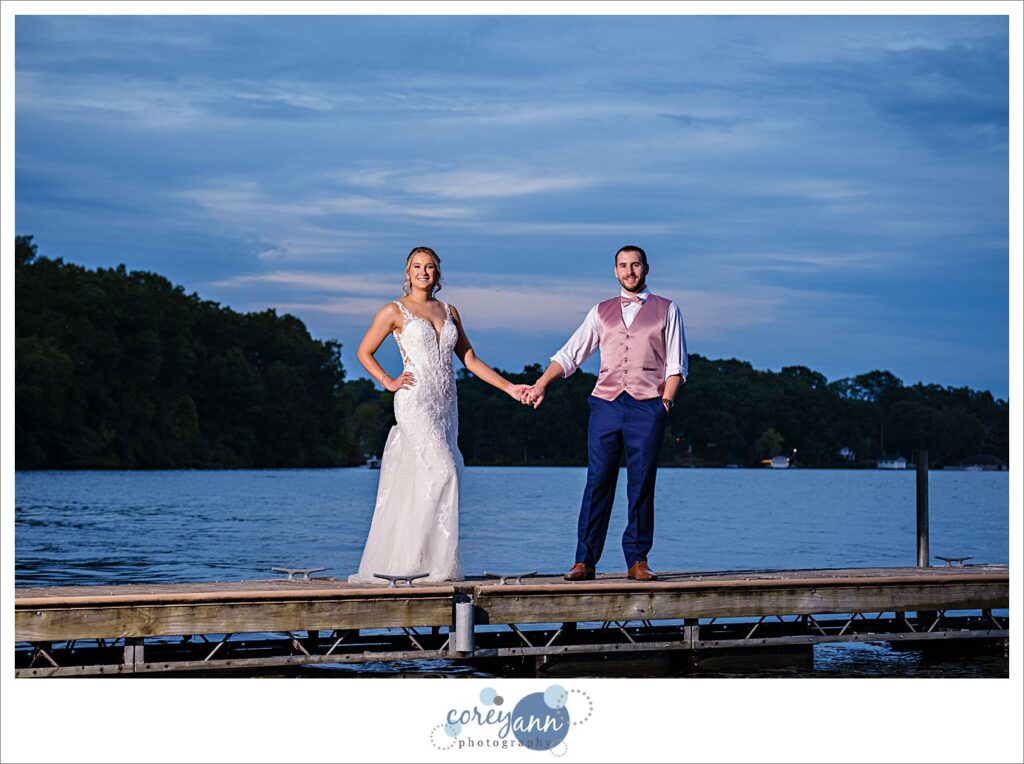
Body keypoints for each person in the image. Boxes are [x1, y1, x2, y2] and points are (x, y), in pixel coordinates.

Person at [348, 246, 530, 583]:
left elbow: (470, 360)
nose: (423, 272)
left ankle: (426, 562)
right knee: (443, 472)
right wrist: (387, 381)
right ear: (407, 272)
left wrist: (509, 388)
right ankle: (422, 566)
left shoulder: (450, 311)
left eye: (430, 267)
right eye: (417, 266)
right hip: (414, 401)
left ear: (438, 273)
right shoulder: (394, 310)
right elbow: (364, 351)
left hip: (446, 405)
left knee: (438, 476)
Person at [524, 245, 688, 582]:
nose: (629, 271)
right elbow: (571, 354)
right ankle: (584, 560)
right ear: (615, 271)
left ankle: (637, 560)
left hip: (647, 405)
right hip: (606, 403)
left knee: (641, 484)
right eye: (623, 266)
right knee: (597, 481)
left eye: (635, 265)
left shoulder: (667, 310)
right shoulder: (601, 311)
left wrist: (665, 404)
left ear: (646, 268)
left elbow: (676, 364)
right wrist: (541, 383)